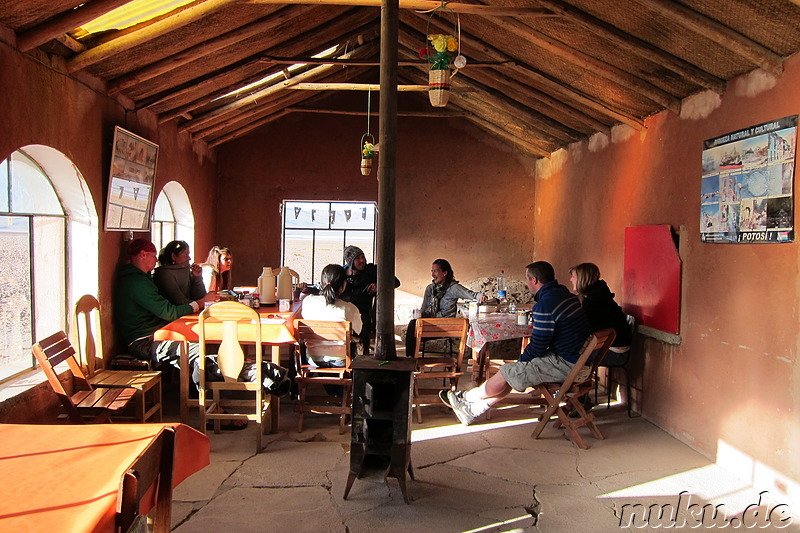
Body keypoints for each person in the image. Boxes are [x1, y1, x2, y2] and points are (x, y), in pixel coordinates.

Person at [442, 261, 590, 426]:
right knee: (512, 374)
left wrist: (521, 361)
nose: (526, 283)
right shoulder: (567, 296)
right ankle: (471, 411)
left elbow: (539, 345)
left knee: (508, 371)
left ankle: (465, 397)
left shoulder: (545, 304)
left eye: (527, 279)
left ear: (534, 280)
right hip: (581, 362)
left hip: (568, 365)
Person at [114, 238, 216, 369]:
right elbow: (169, 312)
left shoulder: (143, 279)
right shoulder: (136, 283)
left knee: (206, 346)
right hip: (144, 342)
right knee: (199, 350)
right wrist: (200, 303)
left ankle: (205, 383)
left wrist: (197, 283)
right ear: (142, 254)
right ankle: (207, 385)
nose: (157, 260)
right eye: (154, 255)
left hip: (157, 334)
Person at [568, 262, 632, 414]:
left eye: (573, 276)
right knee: (573, 353)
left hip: (616, 351)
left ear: (583, 279)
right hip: (608, 346)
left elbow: (581, 330)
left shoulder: (594, 301)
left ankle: (575, 401)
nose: (571, 280)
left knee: (568, 357)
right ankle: (575, 400)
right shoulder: (597, 294)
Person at [405, 258, 485, 356]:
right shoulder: (430, 289)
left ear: (445, 273)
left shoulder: (453, 288)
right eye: (432, 271)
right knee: (413, 325)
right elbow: (424, 308)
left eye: (435, 271)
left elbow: (472, 295)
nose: (433, 275)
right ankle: (412, 359)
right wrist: (419, 314)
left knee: (414, 329)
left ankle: (411, 360)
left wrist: (482, 297)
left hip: (446, 326)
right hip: (430, 324)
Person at [340, 245, 400, 354]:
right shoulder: (341, 273)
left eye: (363, 256)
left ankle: (363, 356)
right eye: (358, 258)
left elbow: (396, 282)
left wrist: (379, 284)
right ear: (350, 261)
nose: (362, 260)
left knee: (362, 334)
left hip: (362, 314)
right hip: (343, 314)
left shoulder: (371, 271)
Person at [300, 264, 362, 368]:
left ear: (322, 283)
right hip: (340, 360)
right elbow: (359, 330)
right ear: (344, 284)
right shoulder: (349, 308)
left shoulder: (308, 301)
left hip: (312, 359)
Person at [152, 240, 207, 305]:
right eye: (185, 255)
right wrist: (203, 301)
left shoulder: (187, 271)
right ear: (173, 256)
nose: (189, 258)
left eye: (188, 254)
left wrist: (197, 278)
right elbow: (180, 302)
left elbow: (199, 297)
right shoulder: (165, 274)